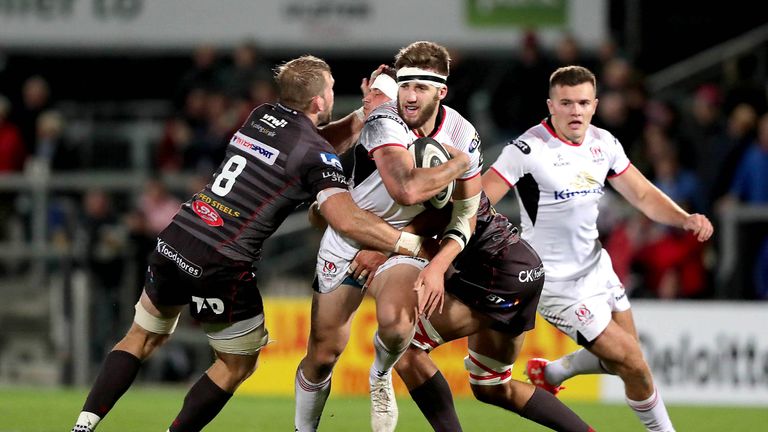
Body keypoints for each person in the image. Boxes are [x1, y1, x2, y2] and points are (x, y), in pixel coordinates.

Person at [70, 55, 428, 432]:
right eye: (331, 90)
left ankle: (83, 425)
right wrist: (409, 244)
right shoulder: (313, 154)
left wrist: (361, 116)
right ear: (320, 102)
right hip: (221, 260)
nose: (333, 95)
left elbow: (308, 149)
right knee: (237, 363)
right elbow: (345, 218)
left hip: (179, 236)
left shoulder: (260, 116)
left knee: (140, 336)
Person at [295, 42, 594, 432]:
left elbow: (466, 215)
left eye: (421, 87)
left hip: (491, 268)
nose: (410, 95)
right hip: (478, 259)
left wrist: (425, 261)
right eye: (404, 85)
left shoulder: (463, 134)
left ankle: (381, 377)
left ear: (442, 91)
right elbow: (406, 191)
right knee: (493, 387)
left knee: (406, 345)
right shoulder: (384, 121)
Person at [482, 65, 714, 432]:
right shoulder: (526, 149)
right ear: (551, 105)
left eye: (583, 103)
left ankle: (554, 371)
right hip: (556, 284)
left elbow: (641, 194)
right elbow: (478, 202)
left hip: (598, 270)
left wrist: (684, 218)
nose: (575, 111)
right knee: (633, 361)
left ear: (595, 106)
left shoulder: (603, 143)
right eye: (567, 103)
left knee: (630, 365)